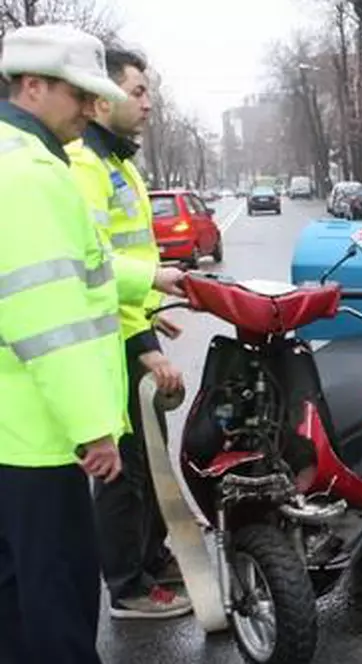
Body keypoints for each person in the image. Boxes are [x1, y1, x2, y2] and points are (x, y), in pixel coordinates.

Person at [0, 24, 184, 663]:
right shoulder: (32, 175)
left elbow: (89, 268)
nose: (89, 107)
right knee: (57, 605)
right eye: (78, 93)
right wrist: (93, 429)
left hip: (13, 434)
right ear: (32, 86)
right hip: (36, 438)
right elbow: (47, 318)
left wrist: (152, 281)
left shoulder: (17, 159)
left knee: (18, 600)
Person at [67, 47, 192, 620]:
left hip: (131, 324)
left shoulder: (119, 163)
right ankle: (127, 587)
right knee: (123, 469)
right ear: (101, 98)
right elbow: (89, 267)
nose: (148, 102)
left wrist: (148, 310)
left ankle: (151, 557)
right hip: (110, 341)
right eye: (136, 91)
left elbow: (127, 259)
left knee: (147, 458)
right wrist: (141, 344)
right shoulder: (85, 167)